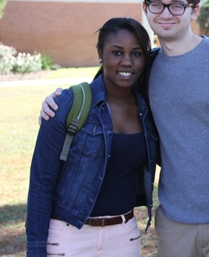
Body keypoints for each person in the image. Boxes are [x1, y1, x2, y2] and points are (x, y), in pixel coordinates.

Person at [39, 0, 209, 257]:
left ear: (194, 11)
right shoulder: (144, 68)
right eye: (157, 4)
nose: (166, 14)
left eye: (177, 5)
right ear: (146, 8)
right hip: (173, 223)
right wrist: (57, 100)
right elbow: (99, 97)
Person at [26, 17, 158, 257]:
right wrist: (35, 249)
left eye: (136, 54)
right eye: (116, 52)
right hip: (69, 237)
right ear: (100, 53)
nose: (127, 61)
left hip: (124, 236)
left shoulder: (148, 109)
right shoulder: (68, 104)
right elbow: (41, 183)